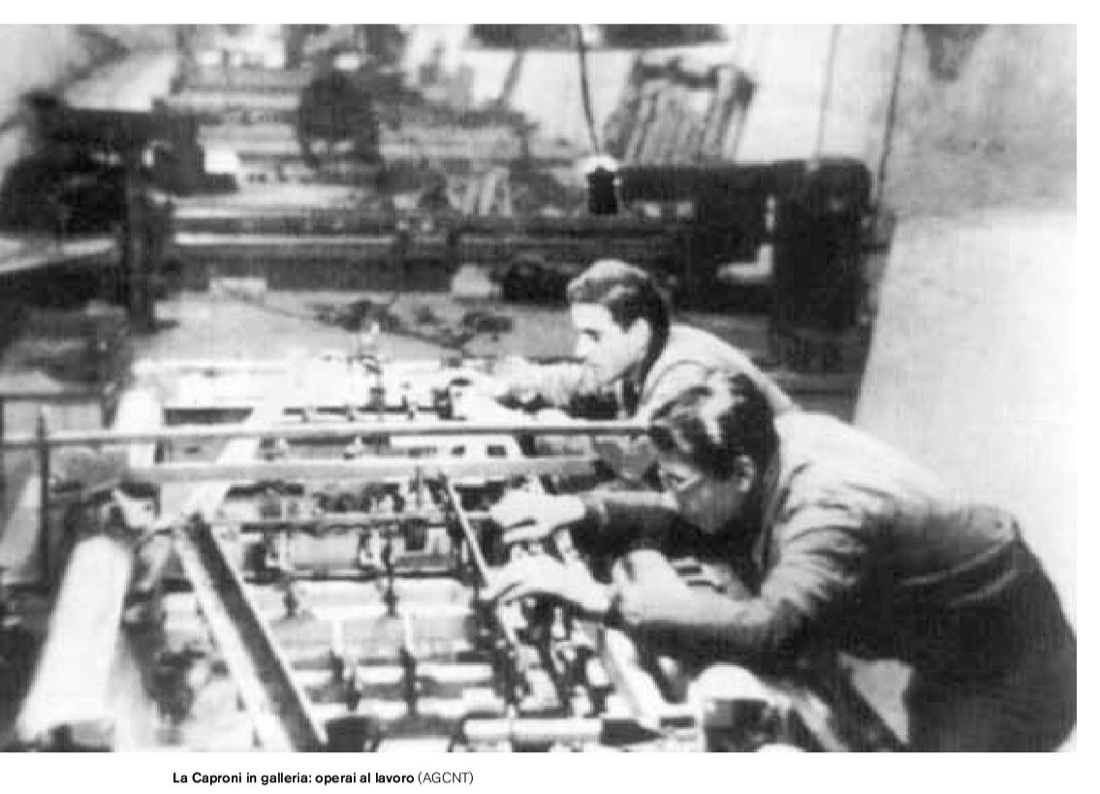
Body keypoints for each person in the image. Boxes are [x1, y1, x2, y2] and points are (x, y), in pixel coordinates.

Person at [484, 374, 1076, 751]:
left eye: (679, 481)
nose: (671, 495)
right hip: (947, 641)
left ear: (742, 472)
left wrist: (603, 601)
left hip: (1009, 670)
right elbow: (695, 514)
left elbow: (772, 630)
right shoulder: (771, 440)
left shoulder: (826, 512)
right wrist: (581, 511)